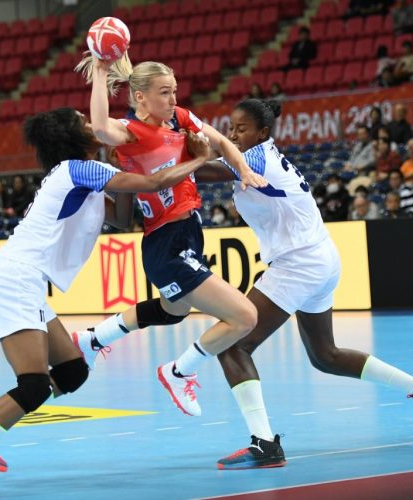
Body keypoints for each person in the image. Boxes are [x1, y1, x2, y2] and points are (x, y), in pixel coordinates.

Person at [85, 99, 413, 470]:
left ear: (262, 133)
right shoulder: (259, 154)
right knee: (326, 355)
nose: (232, 135)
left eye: (241, 129)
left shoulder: (255, 158)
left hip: (300, 264)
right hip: (320, 258)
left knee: (234, 346)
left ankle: (259, 439)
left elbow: (194, 171)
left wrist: (151, 144)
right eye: (230, 127)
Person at [0, 107, 212, 498]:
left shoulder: (89, 173)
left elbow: (123, 220)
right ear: (73, 137)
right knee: (33, 386)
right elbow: (155, 180)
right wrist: (201, 158)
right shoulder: (76, 169)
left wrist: (118, 161)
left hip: (27, 282)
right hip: (15, 279)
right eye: (83, 120)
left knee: (73, 370)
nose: (93, 123)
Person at [74, 54, 266, 417]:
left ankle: (93, 339)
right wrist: (99, 71)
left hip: (188, 233)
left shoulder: (179, 118)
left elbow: (223, 142)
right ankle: (179, 371)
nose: (173, 99)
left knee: (172, 310)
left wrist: (242, 169)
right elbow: (99, 127)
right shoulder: (130, 133)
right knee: (245, 317)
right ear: (141, 97)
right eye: (165, 93)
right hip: (167, 241)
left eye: (175, 91)